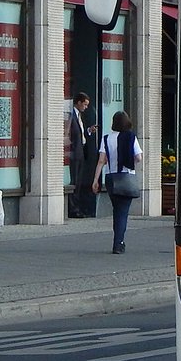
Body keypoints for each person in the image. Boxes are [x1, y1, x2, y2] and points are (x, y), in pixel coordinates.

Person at [92, 110, 143, 255]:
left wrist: (96, 180)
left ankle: (118, 239)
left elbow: (101, 160)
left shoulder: (106, 138)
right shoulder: (131, 137)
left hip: (110, 177)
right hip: (126, 177)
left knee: (117, 210)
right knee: (122, 212)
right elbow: (138, 157)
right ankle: (118, 243)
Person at [65, 91, 96, 218]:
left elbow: (80, 133)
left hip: (81, 152)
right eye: (85, 104)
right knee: (75, 181)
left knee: (79, 181)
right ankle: (73, 208)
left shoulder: (79, 116)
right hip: (74, 153)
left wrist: (89, 131)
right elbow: (70, 134)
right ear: (78, 102)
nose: (86, 107)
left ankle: (77, 206)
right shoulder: (71, 115)